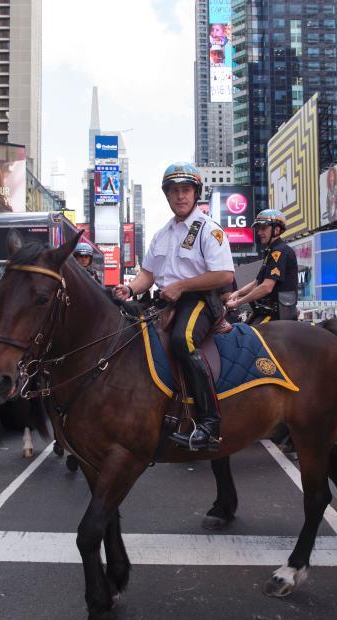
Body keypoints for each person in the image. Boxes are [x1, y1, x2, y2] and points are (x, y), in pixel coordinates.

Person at [113, 162, 234, 452]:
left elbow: (225, 275)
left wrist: (182, 286)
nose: (181, 196)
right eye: (175, 191)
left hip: (200, 300)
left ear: (195, 194)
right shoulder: (161, 234)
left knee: (182, 339)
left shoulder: (209, 228)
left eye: (186, 190)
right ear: (167, 196)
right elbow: (147, 276)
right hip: (165, 301)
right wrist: (129, 288)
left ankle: (209, 424)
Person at [226, 209, 298, 325]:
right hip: (265, 312)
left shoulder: (280, 251)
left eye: (263, 228)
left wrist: (238, 303)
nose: (259, 232)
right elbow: (256, 283)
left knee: (249, 337)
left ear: (277, 230)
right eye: (258, 228)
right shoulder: (271, 252)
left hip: (277, 316)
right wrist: (237, 293)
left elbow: (266, 287)